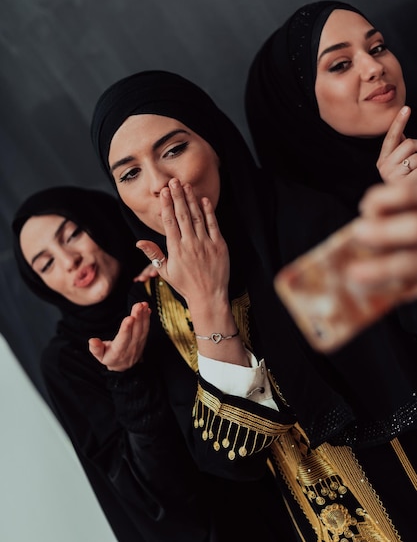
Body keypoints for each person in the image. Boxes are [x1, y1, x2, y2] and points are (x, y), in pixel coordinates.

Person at [90, 69, 417, 541]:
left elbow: (364, 375)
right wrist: (206, 304)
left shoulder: (307, 225)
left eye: (174, 149)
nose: (159, 184)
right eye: (131, 173)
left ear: (216, 144)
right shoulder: (155, 303)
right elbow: (229, 461)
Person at [13, 184, 296, 541]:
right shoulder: (69, 360)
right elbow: (153, 500)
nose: (70, 261)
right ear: (43, 286)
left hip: (308, 474)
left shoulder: (187, 266)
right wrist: (127, 378)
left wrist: (178, 292)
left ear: (99, 221)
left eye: (72, 235)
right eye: (47, 264)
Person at [244, 1, 417, 540]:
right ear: (298, 101)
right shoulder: (297, 227)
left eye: (378, 46)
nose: (374, 67)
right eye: (339, 65)